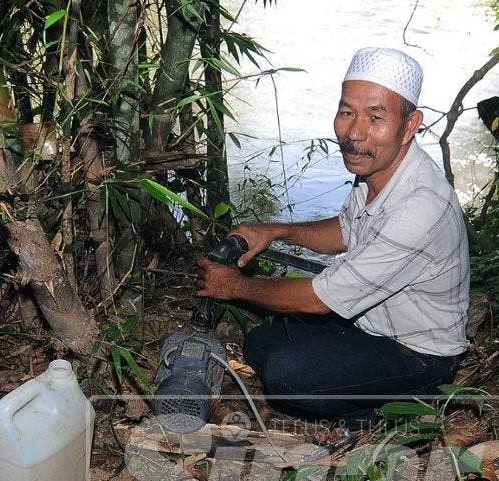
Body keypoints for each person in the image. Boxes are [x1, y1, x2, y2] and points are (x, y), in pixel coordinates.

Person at [197, 47, 469, 432]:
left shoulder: (419, 208)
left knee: (289, 376)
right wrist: (277, 231)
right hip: (370, 325)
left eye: (376, 117)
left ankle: (398, 408)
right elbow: (345, 230)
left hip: (418, 355)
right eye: (346, 112)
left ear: (411, 125)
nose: (354, 133)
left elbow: (317, 300)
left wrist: (234, 286)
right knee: (261, 342)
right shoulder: (379, 170)